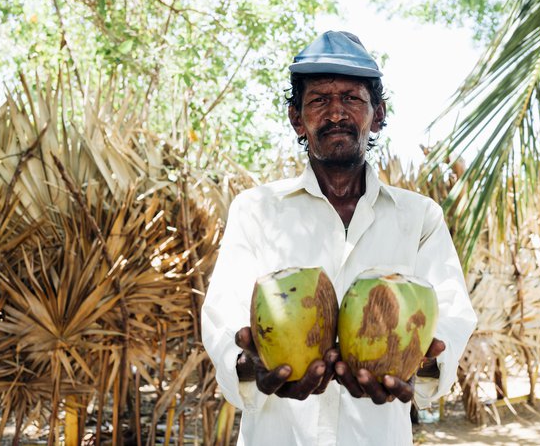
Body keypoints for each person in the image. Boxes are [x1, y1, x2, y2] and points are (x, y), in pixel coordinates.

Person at [201, 31, 477, 445]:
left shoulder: (419, 217)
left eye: (351, 98)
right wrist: (247, 364)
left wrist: (420, 364)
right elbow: (223, 317)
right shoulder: (257, 210)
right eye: (319, 100)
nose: (335, 113)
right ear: (297, 118)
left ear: (378, 115)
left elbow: (453, 316)